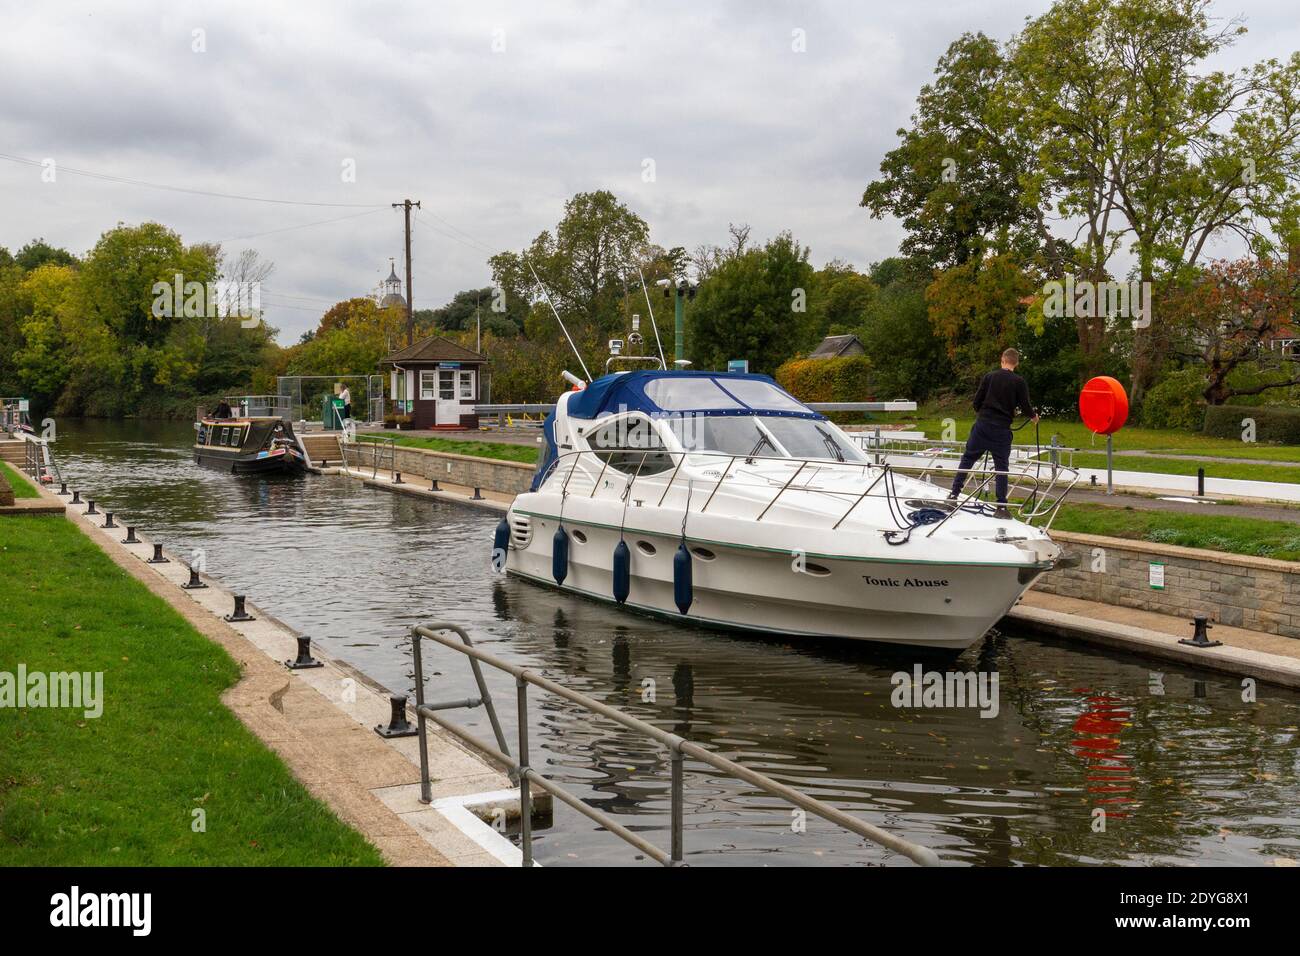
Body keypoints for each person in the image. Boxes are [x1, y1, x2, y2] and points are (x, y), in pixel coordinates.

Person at [949, 348, 1039, 516]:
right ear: (1016, 363)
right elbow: (1025, 405)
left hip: (983, 426)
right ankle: (1001, 506)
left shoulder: (989, 377)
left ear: (1002, 360)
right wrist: (1033, 417)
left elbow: (977, 402)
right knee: (1001, 467)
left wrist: (983, 413)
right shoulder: (1019, 382)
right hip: (1002, 430)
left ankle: (953, 495)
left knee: (968, 459)